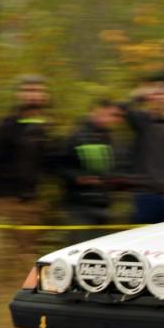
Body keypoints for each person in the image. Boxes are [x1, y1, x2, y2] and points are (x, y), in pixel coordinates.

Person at [0, 75, 56, 223]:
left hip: (33, 202)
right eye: (28, 90)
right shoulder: (7, 124)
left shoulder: (47, 126)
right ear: (19, 95)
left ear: (45, 96)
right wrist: (4, 197)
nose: (33, 95)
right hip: (7, 202)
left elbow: (50, 162)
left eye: (38, 91)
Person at [125, 80, 164, 224]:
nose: (161, 99)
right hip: (145, 192)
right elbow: (124, 109)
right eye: (156, 95)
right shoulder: (143, 122)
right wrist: (137, 95)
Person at [59, 99, 123, 242]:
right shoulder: (75, 136)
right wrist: (77, 178)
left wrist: (114, 181)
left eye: (114, 116)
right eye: (108, 114)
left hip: (104, 204)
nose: (111, 119)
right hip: (79, 206)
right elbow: (60, 166)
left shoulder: (110, 139)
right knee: (80, 248)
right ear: (96, 111)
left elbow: (116, 167)